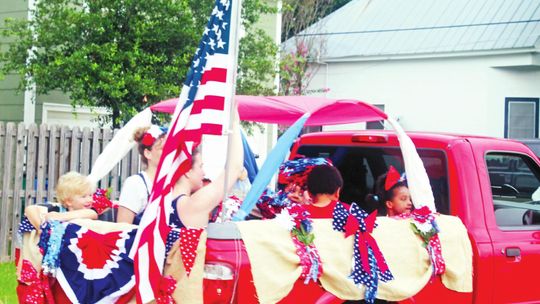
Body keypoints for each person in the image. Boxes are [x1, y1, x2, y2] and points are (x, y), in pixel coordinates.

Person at [169, 112, 244, 229]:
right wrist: (234, 122)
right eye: (200, 166)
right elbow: (235, 168)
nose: (203, 173)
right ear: (186, 171)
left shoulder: (160, 200)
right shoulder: (191, 205)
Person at [117, 125, 166, 224]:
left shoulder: (175, 183)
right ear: (148, 153)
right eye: (163, 149)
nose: (170, 153)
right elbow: (123, 227)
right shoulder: (136, 184)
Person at [23, 171, 99, 231]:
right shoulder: (57, 208)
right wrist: (40, 228)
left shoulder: (89, 211)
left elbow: (92, 214)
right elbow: (30, 209)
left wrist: (58, 216)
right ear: (69, 201)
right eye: (84, 196)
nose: (89, 199)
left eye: (90, 195)